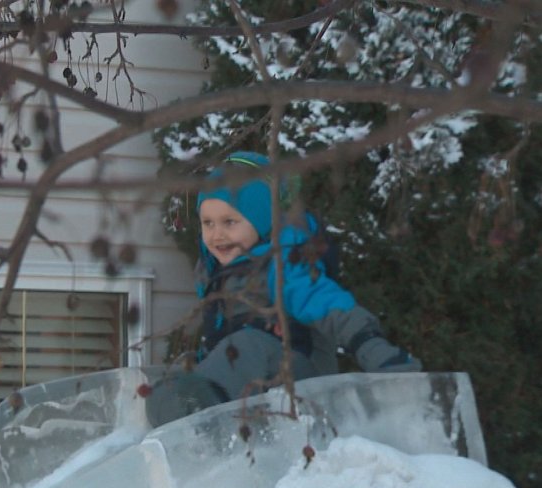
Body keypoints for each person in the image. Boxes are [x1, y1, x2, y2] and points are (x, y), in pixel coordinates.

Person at [147, 151, 422, 427]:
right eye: (208, 223)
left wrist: (377, 352)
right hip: (257, 390)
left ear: (265, 219)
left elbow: (334, 308)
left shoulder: (286, 266)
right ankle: (170, 428)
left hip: (305, 384)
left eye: (230, 222)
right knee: (184, 370)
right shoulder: (219, 277)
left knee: (245, 344)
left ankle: (202, 423)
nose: (217, 234)